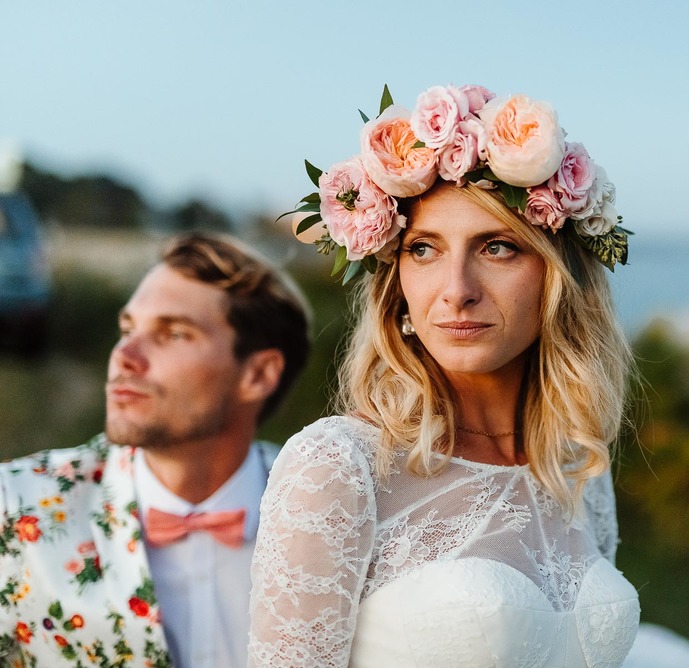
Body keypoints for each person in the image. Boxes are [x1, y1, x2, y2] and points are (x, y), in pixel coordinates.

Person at [249, 84, 639, 666]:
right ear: (397, 283)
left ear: (558, 276)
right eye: (425, 249)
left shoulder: (579, 467)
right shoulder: (339, 467)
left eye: (498, 248)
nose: (456, 291)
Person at [0, 232, 311, 668]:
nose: (124, 355)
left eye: (172, 334)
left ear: (258, 375)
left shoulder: (333, 510)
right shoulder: (13, 508)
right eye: (127, 329)